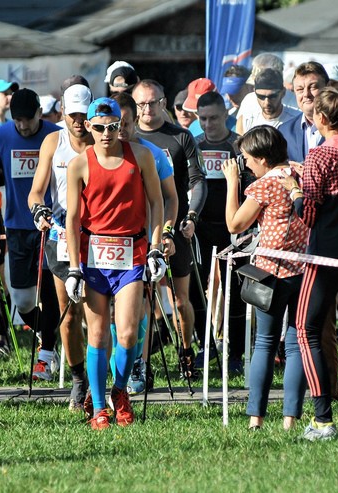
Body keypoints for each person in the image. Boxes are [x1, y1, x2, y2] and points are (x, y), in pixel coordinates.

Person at [280, 87, 338, 440]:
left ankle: (323, 419)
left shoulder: (319, 156)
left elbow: (310, 213)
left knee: (306, 330)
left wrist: (294, 188)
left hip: (324, 255)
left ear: (319, 118)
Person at [64, 97, 164, 429]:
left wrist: (156, 248)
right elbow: (73, 218)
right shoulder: (80, 164)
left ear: (121, 126)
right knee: (96, 334)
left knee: (129, 332)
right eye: (99, 127)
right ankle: (97, 405)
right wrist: (74, 267)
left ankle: (119, 392)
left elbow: (157, 203)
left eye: (113, 127)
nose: (106, 134)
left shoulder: (142, 156)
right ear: (88, 127)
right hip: (94, 257)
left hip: (132, 253)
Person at [223, 125, 308, 431]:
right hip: (303, 268)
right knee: (298, 343)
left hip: (270, 271)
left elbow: (235, 224)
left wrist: (232, 183)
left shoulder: (264, 185)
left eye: (247, 158)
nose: (244, 164)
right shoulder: (301, 173)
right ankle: (290, 418)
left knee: (265, 343)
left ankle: (256, 417)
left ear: (262, 158)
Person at [133, 79, 207, 379]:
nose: (147, 109)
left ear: (163, 102)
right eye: (141, 104)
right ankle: (144, 362)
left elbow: (197, 181)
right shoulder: (130, 137)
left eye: (152, 102)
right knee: (145, 301)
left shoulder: (181, 136)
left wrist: (191, 217)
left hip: (173, 226)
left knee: (179, 300)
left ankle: (186, 349)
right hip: (140, 229)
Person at [0, 88, 62, 380]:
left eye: (27, 120)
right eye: (17, 120)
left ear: (39, 114)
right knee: (22, 299)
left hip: (51, 226)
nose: (22, 126)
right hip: (16, 226)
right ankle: (49, 335)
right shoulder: (0, 137)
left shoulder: (56, 135)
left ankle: (47, 353)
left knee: (49, 290)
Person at [27, 83, 93, 410]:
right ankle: (79, 378)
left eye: (84, 115)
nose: (79, 123)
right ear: (62, 113)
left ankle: (99, 380)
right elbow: (36, 191)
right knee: (68, 315)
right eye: (73, 116)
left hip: (98, 233)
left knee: (96, 314)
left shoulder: (102, 140)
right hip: (61, 235)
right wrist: (39, 210)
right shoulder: (54, 141)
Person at [112, 90, 178, 394]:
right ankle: (117, 362)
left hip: (143, 240)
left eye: (126, 123)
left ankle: (138, 360)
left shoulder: (151, 153)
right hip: (108, 241)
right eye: (115, 123)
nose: (121, 130)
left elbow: (170, 198)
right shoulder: (97, 154)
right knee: (113, 309)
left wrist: (165, 232)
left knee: (142, 305)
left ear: (135, 120)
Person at [192, 91, 248, 372]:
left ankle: (236, 353)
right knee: (198, 292)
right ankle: (206, 347)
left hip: (232, 227)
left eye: (213, 117)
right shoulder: (196, 145)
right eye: (202, 119)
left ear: (225, 114)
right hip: (201, 228)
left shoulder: (237, 146)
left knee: (235, 290)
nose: (208, 124)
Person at [280, 62, 338, 164]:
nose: (306, 94)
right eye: (300, 89)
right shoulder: (285, 131)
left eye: (313, 87)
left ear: (327, 87)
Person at [239, 68, 300, 134]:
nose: (267, 102)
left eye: (272, 96)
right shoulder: (246, 120)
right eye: (261, 96)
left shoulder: (298, 120)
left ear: (283, 93)